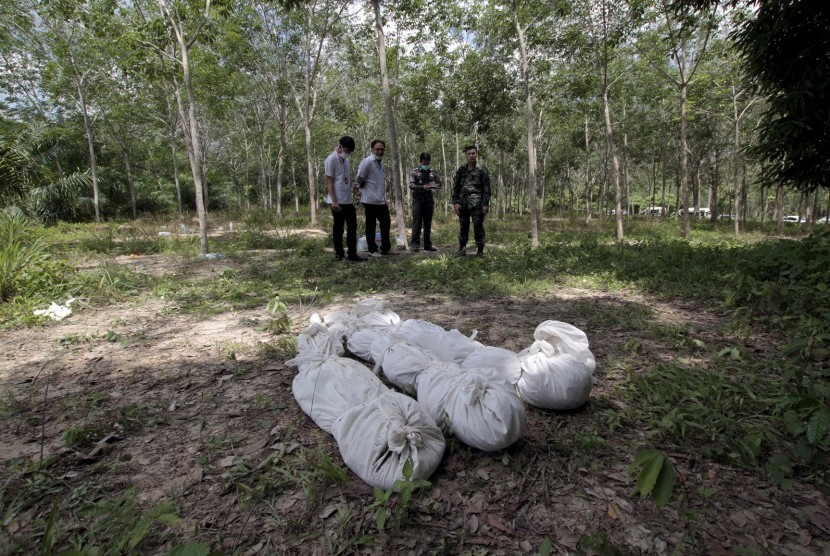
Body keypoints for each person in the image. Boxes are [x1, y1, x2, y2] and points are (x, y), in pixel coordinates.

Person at [324, 136, 365, 262]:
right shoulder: (331, 160)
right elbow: (329, 181)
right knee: (339, 228)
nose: (347, 153)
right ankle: (340, 255)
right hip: (337, 201)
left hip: (347, 200)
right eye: (346, 150)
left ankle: (352, 254)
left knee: (353, 227)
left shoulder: (346, 161)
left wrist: (352, 184)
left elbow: (343, 179)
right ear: (340, 146)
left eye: (349, 152)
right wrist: (334, 201)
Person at [356, 139, 395, 257]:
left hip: (381, 199)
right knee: (371, 224)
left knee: (386, 223)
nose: (380, 151)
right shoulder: (367, 162)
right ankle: (372, 250)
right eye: (377, 149)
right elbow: (359, 178)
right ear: (372, 149)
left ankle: (385, 248)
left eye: (382, 149)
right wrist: (364, 189)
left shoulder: (381, 163)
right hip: (370, 199)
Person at [452, 145, 491, 256]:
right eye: (469, 154)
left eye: (473, 153)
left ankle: (480, 250)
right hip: (463, 204)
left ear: (476, 154)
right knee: (463, 227)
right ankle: (462, 249)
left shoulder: (482, 169)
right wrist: (455, 202)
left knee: (478, 227)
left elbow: (486, 188)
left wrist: (485, 204)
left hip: (477, 204)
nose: (471, 156)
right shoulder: (461, 170)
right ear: (466, 155)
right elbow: (455, 188)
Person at [408, 152, 440, 252]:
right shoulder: (415, 172)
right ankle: (415, 245)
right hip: (418, 201)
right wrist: (423, 187)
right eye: (424, 161)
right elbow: (411, 185)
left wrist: (435, 185)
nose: (426, 163)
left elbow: (439, 183)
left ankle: (427, 244)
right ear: (420, 161)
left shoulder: (433, 172)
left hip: (429, 201)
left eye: (427, 161)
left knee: (427, 223)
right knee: (417, 223)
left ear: (429, 161)